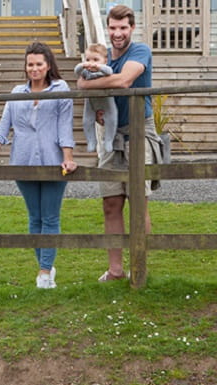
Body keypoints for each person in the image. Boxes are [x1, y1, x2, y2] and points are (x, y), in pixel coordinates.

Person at [0, 41, 77, 289]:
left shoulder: (61, 89)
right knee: (35, 217)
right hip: (22, 162)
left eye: (39, 64)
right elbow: (2, 128)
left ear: (48, 65)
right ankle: (46, 266)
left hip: (53, 163)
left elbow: (65, 127)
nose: (34, 68)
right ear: (25, 66)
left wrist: (68, 157)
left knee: (50, 217)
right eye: (30, 64)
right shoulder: (17, 92)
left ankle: (44, 273)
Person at [76, 5, 162, 282]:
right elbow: (100, 86)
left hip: (139, 132)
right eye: (113, 27)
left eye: (123, 27)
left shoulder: (140, 51)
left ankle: (140, 268)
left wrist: (86, 86)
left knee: (139, 202)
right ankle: (115, 270)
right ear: (108, 27)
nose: (117, 33)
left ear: (132, 28)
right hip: (111, 136)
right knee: (111, 204)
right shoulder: (103, 60)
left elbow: (124, 81)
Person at [74, 43, 117, 153]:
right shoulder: (86, 72)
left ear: (105, 60)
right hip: (91, 102)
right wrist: (83, 65)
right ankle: (91, 141)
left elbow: (109, 71)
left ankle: (108, 141)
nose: (91, 63)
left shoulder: (104, 71)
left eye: (96, 59)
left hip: (107, 101)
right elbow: (76, 71)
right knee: (87, 121)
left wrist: (99, 66)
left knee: (111, 119)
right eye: (88, 59)